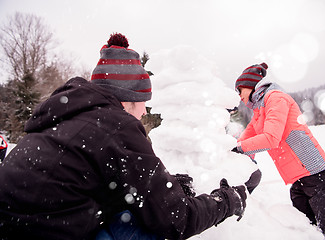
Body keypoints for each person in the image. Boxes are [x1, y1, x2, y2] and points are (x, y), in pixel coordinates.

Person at [0, 33, 247, 240]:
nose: (143, 111)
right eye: (143, 104)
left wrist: (165, 186)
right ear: (129, 100)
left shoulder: (66, 117)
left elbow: (89, 182)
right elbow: (176, 220)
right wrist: (225, 201)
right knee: (145, 228)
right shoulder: (117, 126)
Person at [233, 62, 325, 240]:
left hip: (320, 177)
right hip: (300, 183)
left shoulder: (275, 98)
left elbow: (271, 139)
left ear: (251, 85)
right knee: (313, 231)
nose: (238, 95)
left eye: (239, 90)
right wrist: (231, 153)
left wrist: (239, 149)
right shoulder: (259, 112)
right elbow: (245, 140)